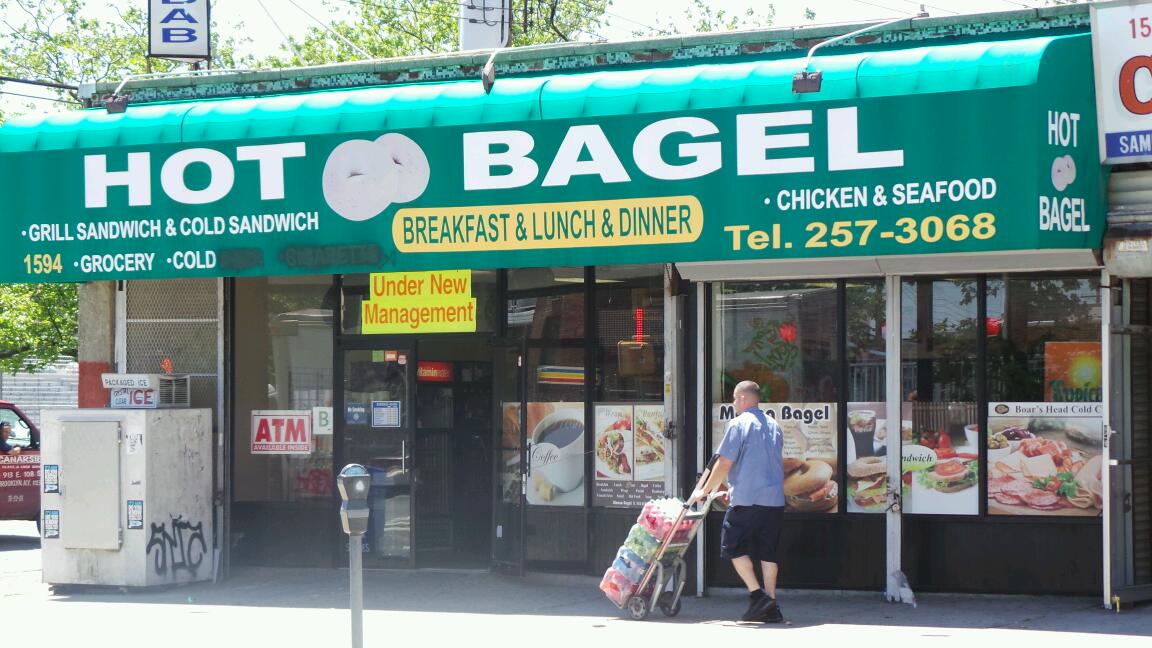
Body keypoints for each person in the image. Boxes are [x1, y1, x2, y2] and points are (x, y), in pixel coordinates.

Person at [690, 380, 785, 623]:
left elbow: (724, 463)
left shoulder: (738, 424)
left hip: (747, 500)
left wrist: (704, 490)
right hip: (774, 500)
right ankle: (771, 606)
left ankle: (757, 595)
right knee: (768, 553)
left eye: (734, 398)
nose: (733, 403)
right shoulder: (774, 425)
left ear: (742, 399)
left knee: (731, 546)